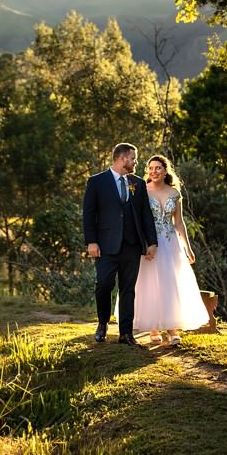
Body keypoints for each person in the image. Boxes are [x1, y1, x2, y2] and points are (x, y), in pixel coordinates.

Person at [82, 143, 158, 345]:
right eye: (133, 158)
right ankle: (102, 323)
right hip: (105, 246)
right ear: (123, 159)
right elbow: (88, 214)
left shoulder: (138, 183)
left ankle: (126, 333)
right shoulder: (96, 182)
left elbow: (145, 214)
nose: (136, 162)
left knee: (128, 289)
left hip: (132, 245)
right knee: (104, 285)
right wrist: (91, 241)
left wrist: (152, 242)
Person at [134, 155, 211, 346]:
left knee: (171, 283)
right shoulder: (142, 190)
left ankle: (172, 329)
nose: (154, 171)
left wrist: (188, 248)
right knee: (149, 283)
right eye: (151, 168)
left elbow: (179, 223)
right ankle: (153, 327)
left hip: (170, 243)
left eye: (158, 168)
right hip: (149, 243)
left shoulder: (174, 193)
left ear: (165, 170)